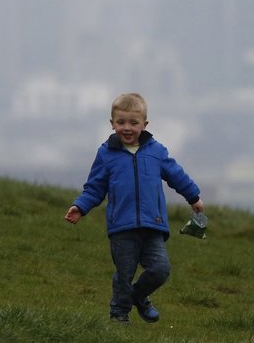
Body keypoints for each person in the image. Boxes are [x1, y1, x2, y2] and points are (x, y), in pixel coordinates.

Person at [64, 92, 204, 324]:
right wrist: (80, 206)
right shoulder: (106, 154)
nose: (126, 128)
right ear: (112, 123)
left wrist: (193, 196)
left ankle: (138, 297)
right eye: (120, 122)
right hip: (122, 227)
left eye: (133, 122)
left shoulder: (156, 151)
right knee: (124, 273)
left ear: (144, 124)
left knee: (161, 269)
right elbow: (95, 187)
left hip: (153, 225)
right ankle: (119, 314)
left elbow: (176, 175)